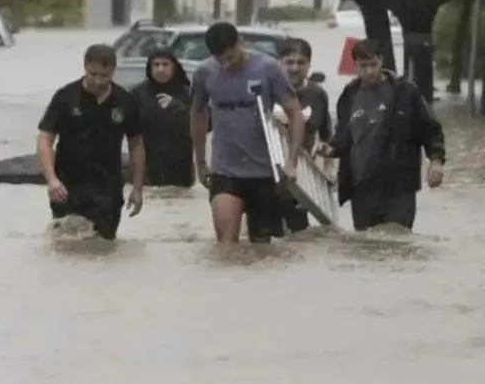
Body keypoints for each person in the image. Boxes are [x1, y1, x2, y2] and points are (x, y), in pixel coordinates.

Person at [190, 22, 305, 244]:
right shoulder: (204, 72)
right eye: (219, 59)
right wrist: (200, 161)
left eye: (229, 57)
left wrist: (292, 160)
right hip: (225, 170)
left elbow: (295, 112)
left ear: (239, 43)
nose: (225, 63)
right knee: (226, 243)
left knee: (261, 250)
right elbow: (197, 114)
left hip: (264, 172)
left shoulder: (268, 68)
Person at [313, 39, 445, 231]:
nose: (369, 71)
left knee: (397, 243)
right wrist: (329, 148)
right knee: (365, 247)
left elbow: (431, 130)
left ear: (381, 61)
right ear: (355, 65)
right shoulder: (350, 94)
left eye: (373, 65)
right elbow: (344, 138)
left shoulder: (405, 92)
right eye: (363, 66)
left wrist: (436, 161)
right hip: (361, 188)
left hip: (398, 188)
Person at [37, 44, 145, 240]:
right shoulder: (66, 97)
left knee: (102, 249)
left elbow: (136, 144)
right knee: (66, 247)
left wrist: (137, 188)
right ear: (84, 67)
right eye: (92, 74)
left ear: (113, 70)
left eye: (104, 75)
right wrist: (51, 179)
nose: (97, 81)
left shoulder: (126, 101)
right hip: (67, 186)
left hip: (108, 188)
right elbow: (45, 138)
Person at [274, 37, 333, 232]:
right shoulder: (268, 92)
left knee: (298, 238)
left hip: (300, 180)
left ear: (309, 65)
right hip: (266, 176)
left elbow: (326, 138)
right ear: (279, 63)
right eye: (289, 62)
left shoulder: (317, 95)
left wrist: (328, 174)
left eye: (301, 62)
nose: (295, 68)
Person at [130, 48, 194, 187]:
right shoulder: (138, 93)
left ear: (174, 67)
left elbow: (206, 124)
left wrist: (176, 107)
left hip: (180, 165)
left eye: (165, 64)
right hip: (148, 164)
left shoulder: (187, 93)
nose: (160, 69)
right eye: (156, 64)